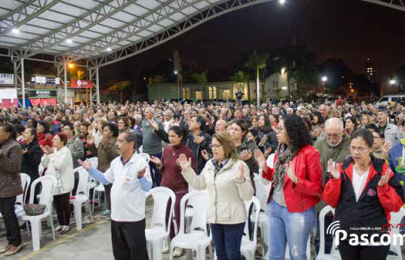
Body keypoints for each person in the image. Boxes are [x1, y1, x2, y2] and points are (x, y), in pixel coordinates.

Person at [322, 129, 405, 260]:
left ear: (371, 148)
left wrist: (383, 188)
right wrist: (335, 181)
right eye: (353, 147)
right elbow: (330, 201)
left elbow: (395, 205)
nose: (356, 152)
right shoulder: (342, 168)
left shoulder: (382, 169)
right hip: (346, 234)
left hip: (375, 236)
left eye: (361, 148)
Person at [255, 114, 322, 260]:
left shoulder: (310, 153)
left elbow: (317, 188)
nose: (276, 131)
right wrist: (265, 168)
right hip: (275, 206)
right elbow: (279, 178)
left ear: (292, 131)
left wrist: (297, 180)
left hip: (298, 211)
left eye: (280, 128)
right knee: (274, 254)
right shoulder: (281, 149)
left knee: (296, 255)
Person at [177, 132, 254, 260]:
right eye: (212, 145)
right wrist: (187, 170)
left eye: (217, 146)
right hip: (215, 217)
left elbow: (247, 196)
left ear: (227, 146)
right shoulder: (210, 165)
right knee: (220, 255)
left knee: (233, 255)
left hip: (233, 218)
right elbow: (199, 184)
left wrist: (241, 181)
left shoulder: (239, 166)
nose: (213, 148)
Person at [78, 131, 152, 260]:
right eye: (117, 141)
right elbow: (106, 179)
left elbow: (147, 187)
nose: (117, 144)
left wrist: (140, 177)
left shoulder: (140, 162)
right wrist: (90, 170)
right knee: (120, 253)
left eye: (120, 141)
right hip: (117, 216)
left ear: (131, 144)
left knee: (137, 254)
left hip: (133, 218)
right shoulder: (116, 162)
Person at [149, 125, 195, 257]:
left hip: (181, 189)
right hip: (166, 188)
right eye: (169, 136)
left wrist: (183, 168)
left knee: (179, 217)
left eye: (173, 136)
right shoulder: (167, 150)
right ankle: (170, 241)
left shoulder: (187, 152)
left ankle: (181, 244)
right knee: (166, 217)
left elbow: (193, 174)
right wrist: (159, 164)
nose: (170, 138)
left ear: (181, 137)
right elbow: (164, 170)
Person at [313, 118, 351, 254]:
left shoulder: (352, 145)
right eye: (329, 134)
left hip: (346, 200)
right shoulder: (318, 144)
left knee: (345, 240)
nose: (332, 138)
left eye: (336, 135)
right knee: (322, 238)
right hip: (323, 200)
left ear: (343, 131)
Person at [41, 132, 74, 234]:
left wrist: (51, 154)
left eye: (56, 139)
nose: (53, 141)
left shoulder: (66, 151)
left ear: (62, 141)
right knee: (57, 204)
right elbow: (44, 164)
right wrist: (47, 154)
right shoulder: (53, 150)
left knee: (64, 204)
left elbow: (59, 165)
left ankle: (66, 224)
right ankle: (60, 223)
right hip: (54, 183)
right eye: (53, 139)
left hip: (64, 181)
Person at [87, 122, 120, 219]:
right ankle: (109, 208)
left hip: (111, 170)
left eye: (106, 130)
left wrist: (106, 145)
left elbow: (115, 155)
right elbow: (97, 154)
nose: (104, 133)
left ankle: (115, 210)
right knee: (107, 191)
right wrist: (91, 145)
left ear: (112, 132)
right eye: (103, 130)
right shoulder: (103, 141)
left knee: (113, 191)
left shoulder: (116, 141)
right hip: (103, 169)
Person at [0, 123, 24, 256]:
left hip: (10, 185)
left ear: (7, 134)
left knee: (9, 215)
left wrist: (1, 157)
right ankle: (10, 241)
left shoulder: (15, 146)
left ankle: (17, 242)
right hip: (1, 185)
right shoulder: (3, 145)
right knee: (4, 215)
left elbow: (14, 168)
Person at [142, 107, 164, 187]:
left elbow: (162, 135)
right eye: (145, 112)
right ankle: (151, 187)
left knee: (158, 171)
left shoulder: (158, 123)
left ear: (152, 113)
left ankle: (159, 186)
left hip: (155, 151)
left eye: (147, 112)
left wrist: (157, 132)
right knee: (148, 171)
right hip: (145, 151)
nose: (145, 114)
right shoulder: (144, 122)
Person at [20, 127, 42, 203]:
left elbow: (35, 164)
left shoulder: (36, 148)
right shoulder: (22, 146)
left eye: (26, 133)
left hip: (31, 177)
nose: (24, 134)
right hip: (21, 176)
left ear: (32, 136)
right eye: (24, 132)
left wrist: (26, 154)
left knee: (31, 201)